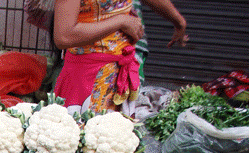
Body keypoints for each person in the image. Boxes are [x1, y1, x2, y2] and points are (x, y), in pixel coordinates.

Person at [52, 0, 188, 114]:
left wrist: (178, 21)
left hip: (120, 78)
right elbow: (64, 35)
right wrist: (120, 21)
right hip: (86, 80)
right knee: (84, 138)